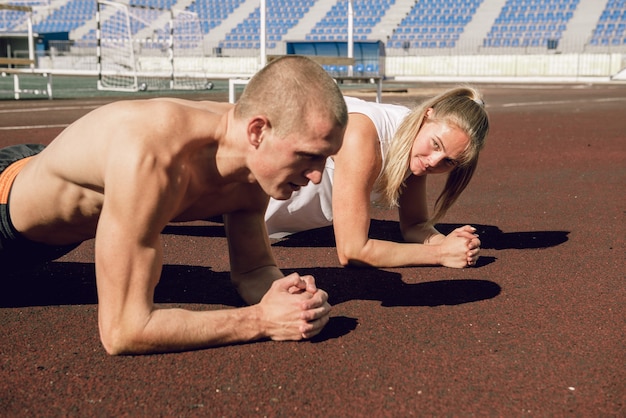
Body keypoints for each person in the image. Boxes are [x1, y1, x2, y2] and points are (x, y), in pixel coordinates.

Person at [0, 55, 348, 355]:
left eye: (325, 159)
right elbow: (123, 330)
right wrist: (261, 320)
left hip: (44, 173)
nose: (317, 177)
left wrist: (289, 297)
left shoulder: (250, 161)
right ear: (258, 131)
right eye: (308, 156)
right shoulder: (154, 157)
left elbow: (253, 271)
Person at [265, 86, 489, 269]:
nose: (433, 161)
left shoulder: (414, 150)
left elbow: (414, 225)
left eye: (449, 162)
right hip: (241, 188)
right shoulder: (365, 134)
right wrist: (440, 254)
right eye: (436, 144)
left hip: (258, 213)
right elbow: (353, 251)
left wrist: (450, 243)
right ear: (426, 115)